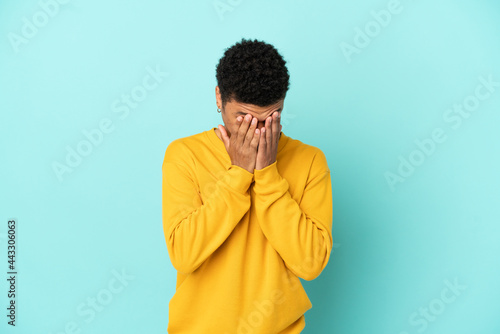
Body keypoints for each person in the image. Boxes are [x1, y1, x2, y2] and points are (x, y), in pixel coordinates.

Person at [162, 38, 333, 333]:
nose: (257, 130)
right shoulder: (184, 155)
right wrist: (238, 173)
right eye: (243, 118)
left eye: (271, 118)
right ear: (219, 98)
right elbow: (184, 254)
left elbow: (311, 262)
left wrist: (267, 174)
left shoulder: (310, 161)